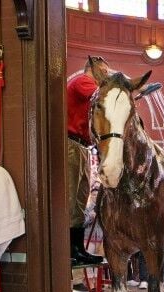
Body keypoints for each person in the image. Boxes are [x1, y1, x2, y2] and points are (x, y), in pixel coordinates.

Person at [66, 56, 109, 265]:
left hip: (81, 146)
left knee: (80, 198)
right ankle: (69, 249)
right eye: (103, 70)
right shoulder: (84, 81)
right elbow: (100, 98)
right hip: (72, 145)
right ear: (92, 67)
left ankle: (77, 249)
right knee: (72, 196)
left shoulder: (90, 84)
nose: (106, 74)